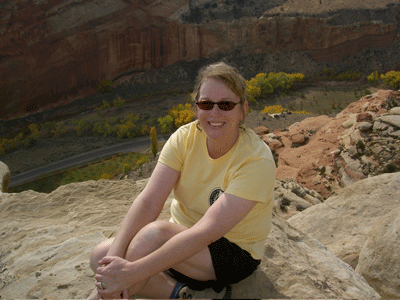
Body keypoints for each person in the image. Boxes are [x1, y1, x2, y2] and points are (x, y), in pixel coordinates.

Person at [88, 62, 276, 299]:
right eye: (206, 104)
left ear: (243, 110)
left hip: (231, 252)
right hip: (181, 241)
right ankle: (178, 294)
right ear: (196, 107)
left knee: (150, 237)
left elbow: (206, 232)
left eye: (226, 105)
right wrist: (114, 261)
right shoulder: (184, 138)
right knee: (100, 256)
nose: (215, 113)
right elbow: (149, 201)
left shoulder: (256, 160)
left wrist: (132, 271)